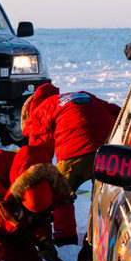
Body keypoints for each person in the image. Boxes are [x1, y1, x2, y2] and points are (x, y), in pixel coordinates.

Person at [12, 84, 122, 244]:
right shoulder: (82, 94)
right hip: (110, 146)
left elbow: (38, 155)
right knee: (110, 193)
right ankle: (112, 233)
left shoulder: (39, 111)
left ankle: (65, 236)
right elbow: (117, 112)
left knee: (58, 191)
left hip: (76, 149)